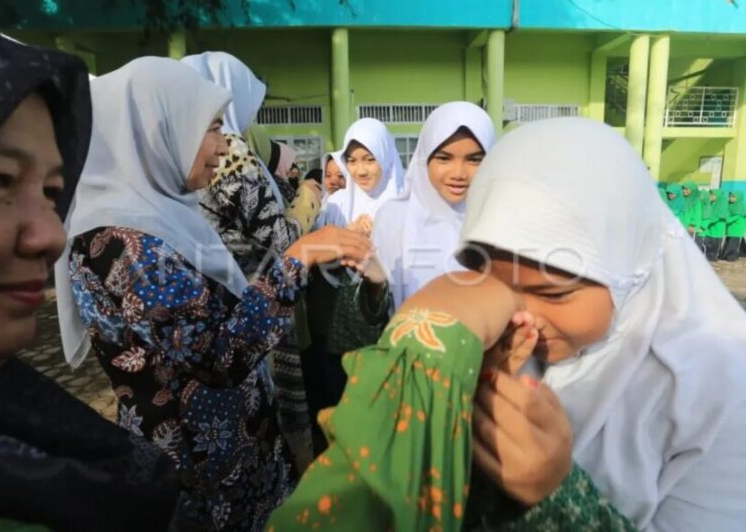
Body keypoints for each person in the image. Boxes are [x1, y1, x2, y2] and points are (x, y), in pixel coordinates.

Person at [270, 118, 746, 531]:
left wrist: (554, 498)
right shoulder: (499, 342)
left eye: (555, 292)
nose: (521, 316)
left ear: (627, 265)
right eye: (491, 283)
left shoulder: (719, 390)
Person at [56, 56, 372, 530]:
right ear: (158, 128)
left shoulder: (159, 215)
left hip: (235, 459)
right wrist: (296, 259)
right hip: (200, 477)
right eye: (212, 128)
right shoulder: (120, 245)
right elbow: (218, 357)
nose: (225, 147)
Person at [0, 10, 183, 530]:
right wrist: (290, 269)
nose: (51, 235)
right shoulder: (119, 243)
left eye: (54, 192)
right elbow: (206, 353)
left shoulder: (11, 420)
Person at [182, 51, 320, 278]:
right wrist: (308, 198)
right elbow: (280, 241)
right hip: (248, 288)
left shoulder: (185, 147)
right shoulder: (228, 150)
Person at [365, 101, 495, 311]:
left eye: (474, 160)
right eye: (444, 158)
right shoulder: (393, 218)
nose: (458, 174)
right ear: (424, 159)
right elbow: (374, 309)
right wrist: (374, 288)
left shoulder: (499, 219)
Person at [317, 118, 406, 231]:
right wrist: (348, 234)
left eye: (369, 160)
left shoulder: (408, 204)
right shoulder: (335, 205)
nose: (361, 172)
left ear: (386, 158)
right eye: (352, 161)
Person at [722, 190, 746, 261]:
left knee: (733, 242)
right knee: (729, 241)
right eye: (730, 196)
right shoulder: (730, 204)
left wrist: (728, 220)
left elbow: (737, 216)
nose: (731, 198)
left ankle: (731, 257)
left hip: (737, 227)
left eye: (733, 197)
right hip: (730, 227)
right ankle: (736, 254)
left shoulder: (741, 206)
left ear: (738, 197)